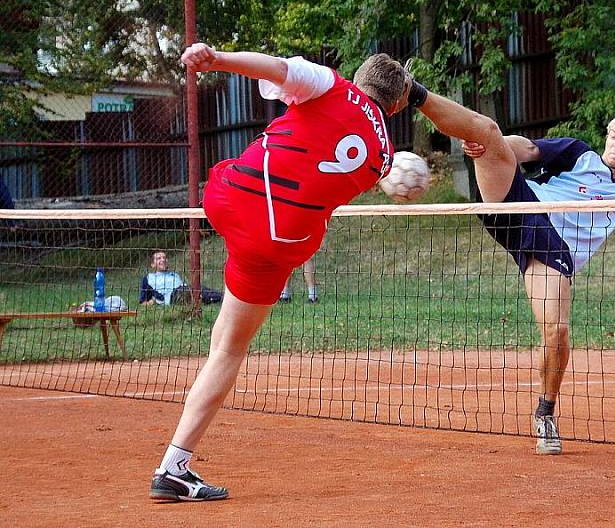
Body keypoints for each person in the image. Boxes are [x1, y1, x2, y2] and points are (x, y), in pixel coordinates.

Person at [149, 43, 416, 502]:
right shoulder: (384, 156)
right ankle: (174, 464)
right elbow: (355, 162)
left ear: (359, 77)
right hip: (280, 244)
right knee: (229, 351)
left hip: (231, 198)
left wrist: (217, 60)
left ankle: (175, 471)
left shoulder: (333, 85)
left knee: (222, 341)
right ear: (395, 106)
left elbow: (275, 69)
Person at [412, 92, 615, 455]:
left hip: (551, 251)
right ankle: (411, 90)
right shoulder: (580, 155)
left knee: (557, 331)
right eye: (613, 134)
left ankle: (545, 413)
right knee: (486, 132)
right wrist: (497, 147)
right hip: (524, 203)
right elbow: (529, 149)